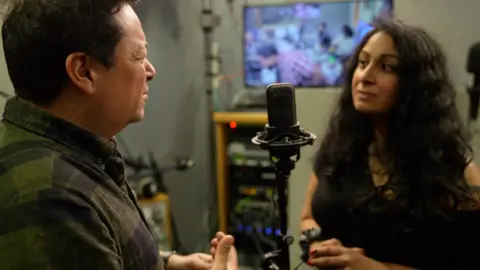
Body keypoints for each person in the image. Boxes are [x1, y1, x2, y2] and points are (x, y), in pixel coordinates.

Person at [0, 0, 237, 270]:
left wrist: (169, 264)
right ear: (83, 71)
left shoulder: (69, 159)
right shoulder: (49, 200)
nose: (150, 71)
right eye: (138, 56)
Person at [300, 19, 480, 270]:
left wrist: (375, 268)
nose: (364, 77)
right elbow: (309, 218)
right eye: (362, 63)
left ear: (417, 85)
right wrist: (320, 245)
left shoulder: (453, 170)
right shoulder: (338, 148)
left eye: (386, 67)